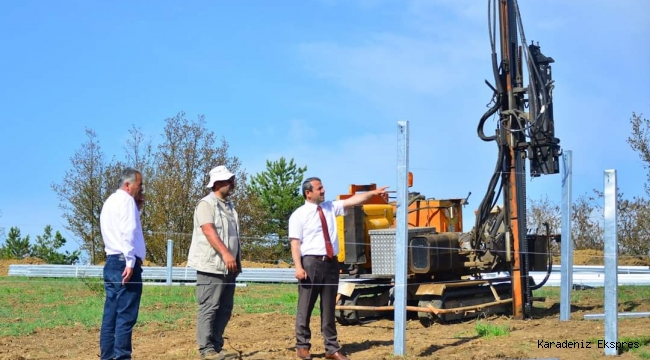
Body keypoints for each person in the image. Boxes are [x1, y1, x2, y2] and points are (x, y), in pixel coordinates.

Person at [289, 177, 388, 360]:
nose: (323, 190)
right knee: (306, 306)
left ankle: (331, 348)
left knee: (328, 307)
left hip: (331, 263)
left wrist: (372, 194)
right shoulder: (299, 215)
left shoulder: (330, 207)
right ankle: (302, 346)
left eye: (323, 187)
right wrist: (298, 267)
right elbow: (295, 244)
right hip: (311, 263)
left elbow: (353, 200)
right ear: (308, 193)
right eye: (319, 188)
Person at [187, 165, 242, 360]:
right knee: (209, 307)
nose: (232, 183)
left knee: (225, 308)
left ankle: (217, 347)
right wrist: (227, 254)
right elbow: (209, 230)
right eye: (229, 181)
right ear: (218, 183)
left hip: (228, 268)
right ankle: (206, 349)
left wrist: (233, 259)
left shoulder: (229, 206)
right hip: (211, 266)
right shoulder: (206, 204)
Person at [99, 167, 146, 360]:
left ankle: (107, 356)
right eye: (139, 185)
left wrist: (138, 209)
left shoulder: (110, 201)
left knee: (110, 315)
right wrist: (130, 261)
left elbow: (121, 227)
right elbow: (128, 231)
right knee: (126, 316)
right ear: (128, 185)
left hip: (111, 261)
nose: (141, 189)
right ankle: (122, 357)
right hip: (124, 263)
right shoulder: (126, 201)